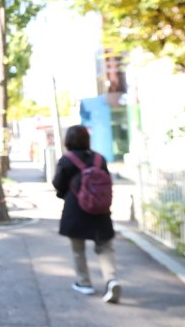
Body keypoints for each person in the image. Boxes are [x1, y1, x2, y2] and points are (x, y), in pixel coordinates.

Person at [53, 125, 121, 303]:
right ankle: (111, 279)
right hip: (100, 210)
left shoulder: (66, 160)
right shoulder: (100, 159)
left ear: (68, 140)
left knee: (78, 250)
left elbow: (58, 184)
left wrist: (65, 194)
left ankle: (84, 283)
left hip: (76, 210)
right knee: (105, 247)